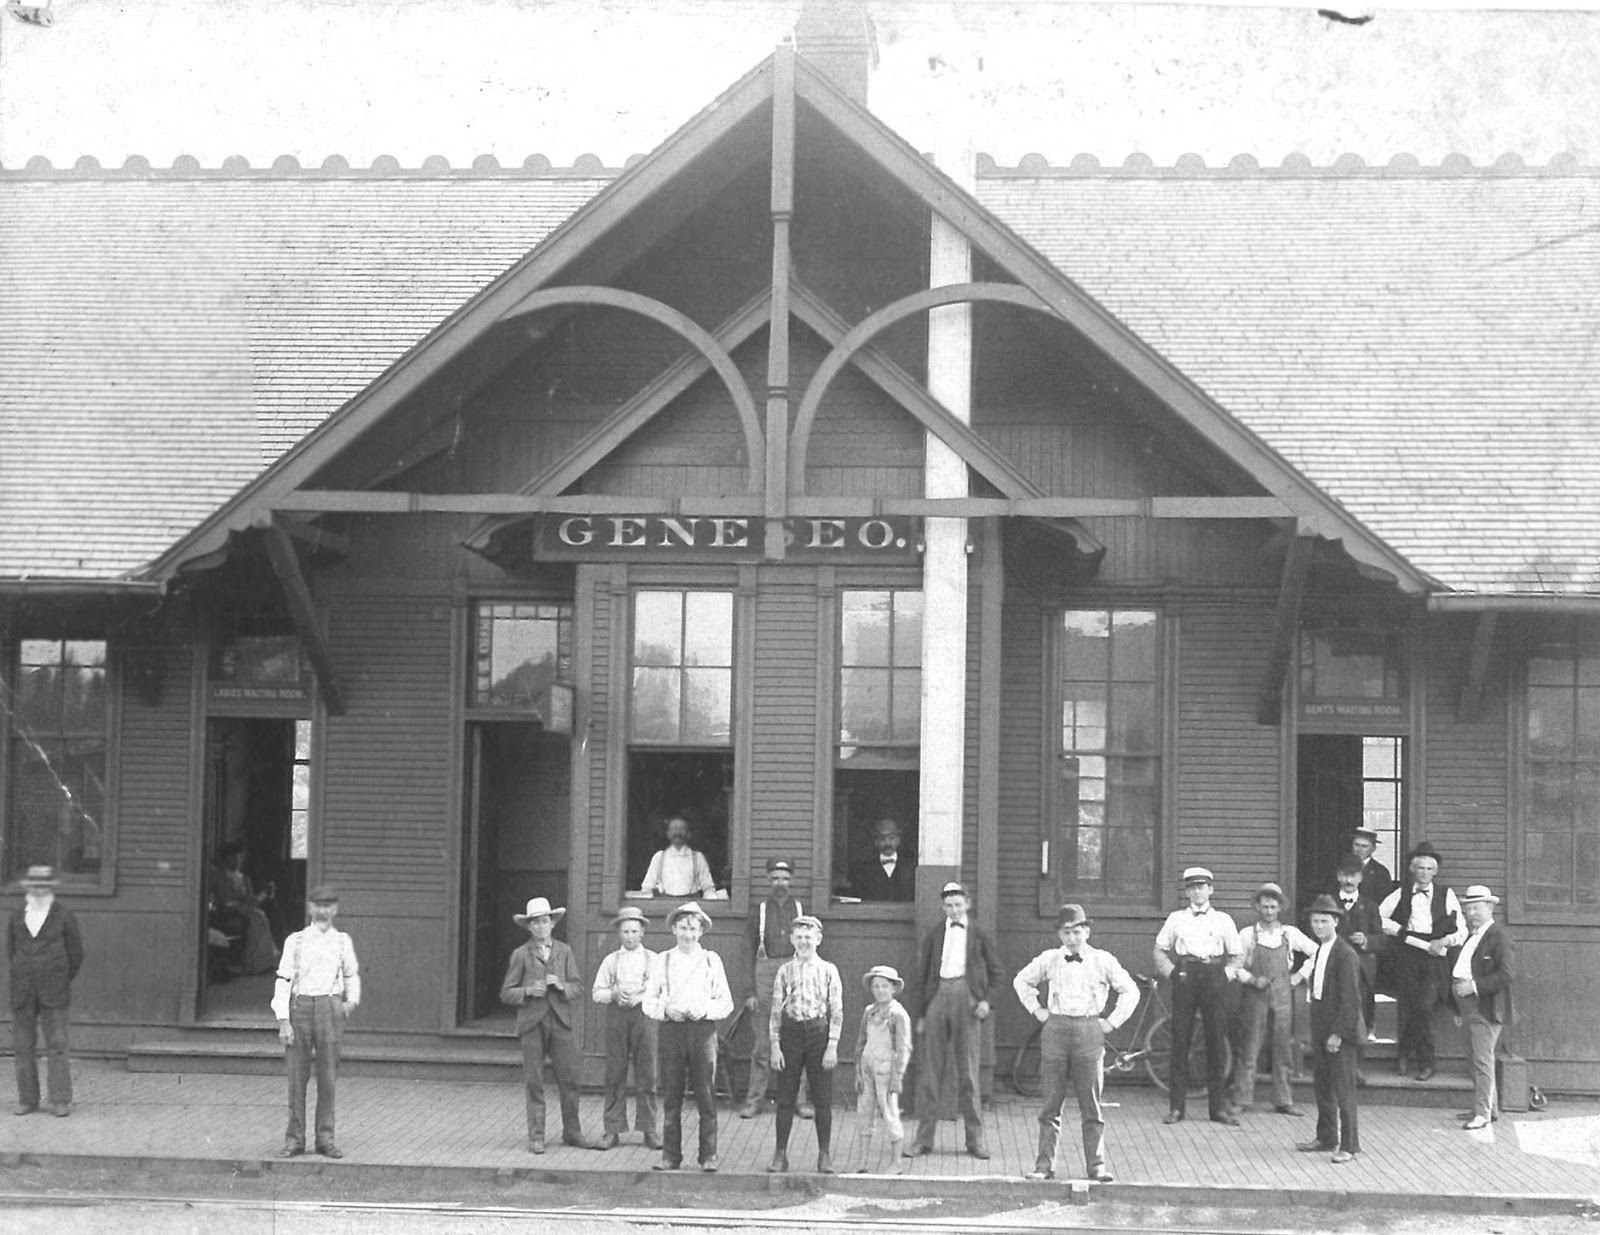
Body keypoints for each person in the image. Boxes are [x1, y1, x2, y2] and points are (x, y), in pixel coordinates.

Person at [1013, 903, 1138, 1184]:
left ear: (1087, 931)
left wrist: (1110, 1022)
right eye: (1066, 932)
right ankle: (1044, 1166)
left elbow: (1129, 991)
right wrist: (1038, 1011)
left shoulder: (1102, 960)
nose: (1072, 938)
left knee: (1091, 1103)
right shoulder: (1050, 959)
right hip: (1055, 1029)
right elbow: (1021, 981)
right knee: (1050, 1104)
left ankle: (1097, 1166)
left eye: (1077, 931)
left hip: (1088, 1030)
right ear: (1059, 934)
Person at [905, 881, 1005, 1160]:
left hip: (966, 996)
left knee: (969, 1074)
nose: (954, 910)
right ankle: (923, 1141)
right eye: (948, 905)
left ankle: (975, 1141)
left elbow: (997, 971)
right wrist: (922, 1015)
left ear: (967, 904)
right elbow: (923, 976)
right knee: (930, 1072)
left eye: (958, 905)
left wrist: (986, 1001)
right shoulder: (935, 934)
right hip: (938, 994)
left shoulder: (979, 933)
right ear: (943, 907)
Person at [642, 901, 734, 1173]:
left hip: (702, 1032)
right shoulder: (663, 960)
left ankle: (709, 1156)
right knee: (672, 1095)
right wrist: (666, 1009)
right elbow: (649, 1002)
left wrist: (705, 1009)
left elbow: (726, 1002)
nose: (688, 934)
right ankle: (671, 1156)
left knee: (706, 1094)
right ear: (673, 929)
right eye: (683, 928)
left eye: (693, 928)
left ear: (701, 931)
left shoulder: (710, 960)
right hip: (672, 1030)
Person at [502, 896, 596, 1154]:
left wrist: (561, 986)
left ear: (552, 924)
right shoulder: (520, 954)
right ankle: (537, 1136)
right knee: (534, 1080)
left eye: (545, 921)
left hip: (561, 1021)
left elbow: (578, 987)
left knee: (570, 1078)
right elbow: (506, 992)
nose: (541, 927)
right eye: (536, 923)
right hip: (532, 1023)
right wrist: (528, 991)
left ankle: (572, 1132)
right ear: (529, 927)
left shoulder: (564, 951)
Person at [272, 884, 359, 1158]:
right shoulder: (295, 940)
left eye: (328, 905)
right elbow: (283, 979)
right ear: (310, 908)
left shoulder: (342, 941)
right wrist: (283, 1020)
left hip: (329, 1008)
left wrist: (349, 1003)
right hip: (300, 1008)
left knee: (328, 1078)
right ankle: (294, 1140)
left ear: (335, 909)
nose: (323, 910)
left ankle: (325, 1139)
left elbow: (351, 975)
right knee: (296, 1079)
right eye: (318, 905)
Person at [1153, 866, 1243, 1126]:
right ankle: (1176, 1108)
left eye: (1201, 886)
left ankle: (1218, 1109)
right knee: (1180, 1040)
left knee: (1215, 1041)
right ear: (1187, 891)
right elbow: (1159, 950)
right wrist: (1172, 973)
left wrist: (1224, 975)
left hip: (1214, 975)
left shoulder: (1223, 920)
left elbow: (1237, 955)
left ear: (1211, 890)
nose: (1196, 891)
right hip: (1185, 975)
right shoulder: (1176, 919)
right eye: (1192, 887)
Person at [1378, 841, 1465, 1081]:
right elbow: (1379, 918)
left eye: (1429, 869)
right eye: (1420, 868)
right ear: (1412, 870)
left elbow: (1462, 930)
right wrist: (1399, 931)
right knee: (1412, 1007)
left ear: (1435, 871)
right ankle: (1414, 1059)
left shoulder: (1446, 894)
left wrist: (1445, 942)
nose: (1424, 873)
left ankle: (1413, 1056)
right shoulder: (1401, 893)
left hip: (1435, 956)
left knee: (1425, 1007)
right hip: (1408, 955)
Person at [1227, 883, 1315, 1118]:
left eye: (1273, 906)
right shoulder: (1247, 935)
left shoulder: (1290, 934)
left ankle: (1284, 1100)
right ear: (1257, 907)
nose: (1268, 911)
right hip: (1255, 996)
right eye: (1264, 906)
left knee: (1283, 1048)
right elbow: (1234, 965)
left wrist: (1299, 975)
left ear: (1279, 908)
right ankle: (1241, 1099)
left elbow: (1317, 951)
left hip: (1283, 996)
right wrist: (1252, 979)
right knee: (1250, 1047)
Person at [765, 914, 844, 1174]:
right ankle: (780, 1154)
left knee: (822, 1097)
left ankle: (824, 1155)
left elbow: (837, 1011)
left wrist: (832, 1045)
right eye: (799, 937)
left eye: (808, 937)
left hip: (818, 1034)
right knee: (786, 1096)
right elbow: (776, 1011)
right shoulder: (784, 970)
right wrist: (775, 1045)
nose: (804, 942)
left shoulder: (828, 970)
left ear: (818, 939)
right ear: (791, 940)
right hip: (791, 1034)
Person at [8, 866, 84, 1118]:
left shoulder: (64, 915)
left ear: (51, 887)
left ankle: (60, 1100)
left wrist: (58, 976)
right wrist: (26, 973)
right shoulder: (17, 915)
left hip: (55, 990)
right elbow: (12, 952)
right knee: (22, 1047)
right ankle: (28, 1100)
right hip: (23, 991)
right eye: (34, 886)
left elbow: (76, 954)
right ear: (27, 888)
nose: (38, 890)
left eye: (43, 886)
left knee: (58, 1045)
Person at [1297, 894, 1364, 1164]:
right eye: (1315, 921)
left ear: (1335, 921)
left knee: (1343, 1087)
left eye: (1324, 921)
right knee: (1323, 1084)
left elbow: (1351, 999)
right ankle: (1326, 1137)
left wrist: (1338, 1033)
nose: (1319, 926)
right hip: (1320, 1024)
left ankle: (1350, 1145)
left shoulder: (1345, 954)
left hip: (1340, 1030)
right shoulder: (1319, 949)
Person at [741, 858, 808, 1119]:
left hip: (795, 973)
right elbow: (747, 953)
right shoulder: (758, 912)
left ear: (791, 880)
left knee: (797, 1039)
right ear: (768, 880)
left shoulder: (801, 910)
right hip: (765, 973)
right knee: (763, 1043)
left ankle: (799, 1100)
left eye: (785, 878)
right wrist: (749, 992)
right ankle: (754, 1100)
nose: (780, 883)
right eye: (775, 878)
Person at [590, 905, 661, 1150]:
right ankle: (612, 1130)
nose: (630, 936)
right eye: (625, 931)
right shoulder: (611, 960)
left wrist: (641, 998)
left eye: (634, 931)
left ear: (642, 932)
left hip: (645, 1017)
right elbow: (596, 993)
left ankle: (649, 1129)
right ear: (619, 934)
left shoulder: (653, 959)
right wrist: (613, 993)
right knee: (615, 1074)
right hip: (617, 1018)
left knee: (647, 1074)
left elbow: (662, 992)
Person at [1447, 885, 1514, 1130]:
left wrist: (1474, 986)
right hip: (1467, 1005)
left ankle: (1483, 1113)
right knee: (1475, 1058)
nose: (1471, 913)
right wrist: (1457, 1005)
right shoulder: (1473, 935)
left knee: (1483, 1061)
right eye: (1467, 908)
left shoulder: (1499, 937)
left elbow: (1506, 975)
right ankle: (1485, 1109)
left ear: (1490, 907)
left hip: (1484, 1006)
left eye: (1476, 907)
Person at [848, 964, 913, 1174]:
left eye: (885, 986)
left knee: (889, 1113)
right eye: (876, 986)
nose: (880, 990)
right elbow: (861, 1042)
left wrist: (898, 1077)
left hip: (886, 1071)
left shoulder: (898, 1015)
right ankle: (863, 1161)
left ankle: (896, 1163)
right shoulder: (869, 1012)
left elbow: (903, 1048)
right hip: (867, 1067)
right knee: (864, 1112)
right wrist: (858, 1071)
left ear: (893, 988)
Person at [1332, 853, 1384, 1081]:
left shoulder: (1370, 905)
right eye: (1344, 875)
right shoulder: (1328, 902)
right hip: (1334, 970)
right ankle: (1335, 1068)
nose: (1348, 880)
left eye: (1352, 876)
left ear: (1360, 877)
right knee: (1335, 1016)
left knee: (1358, 1018)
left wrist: (1366, 940)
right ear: (1338, 876)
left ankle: (1356, 1067)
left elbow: (1382, 940)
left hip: (1361, 973)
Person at [212, 841, 279, 975]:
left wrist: (264, 893)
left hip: (245, 910)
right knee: (257, 917)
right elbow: (222, 898)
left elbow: (251, 900)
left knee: (258, 916)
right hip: (227, 911)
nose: (237, 861)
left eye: (238, 857)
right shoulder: (218, 876)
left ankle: (261, 962)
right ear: (225, 859)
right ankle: (255, 963)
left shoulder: (244, 878)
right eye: (232, 857)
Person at [637, 816, 716, 898]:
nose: (677, 832)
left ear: (688, 834)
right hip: (663, 906)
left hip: (692, 905)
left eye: (682, 829)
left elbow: (708, 888)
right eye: (674, 828)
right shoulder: (659, 857)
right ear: (668, 834)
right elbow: (647, 888)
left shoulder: (698, 858)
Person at [852, 818, 915, 902]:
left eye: (891, 838)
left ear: (898, 840)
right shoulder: (864, 870)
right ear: (876, 842)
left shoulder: (911, 867)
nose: (887, 843)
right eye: (882, 839)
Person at [1350, 828, 1394, 907]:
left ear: (1373, 849)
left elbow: (1385, 902)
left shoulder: (1381, 872)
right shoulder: (1341, 867)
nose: (1359, 850)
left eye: (1364, 846)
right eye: (1356, 845)